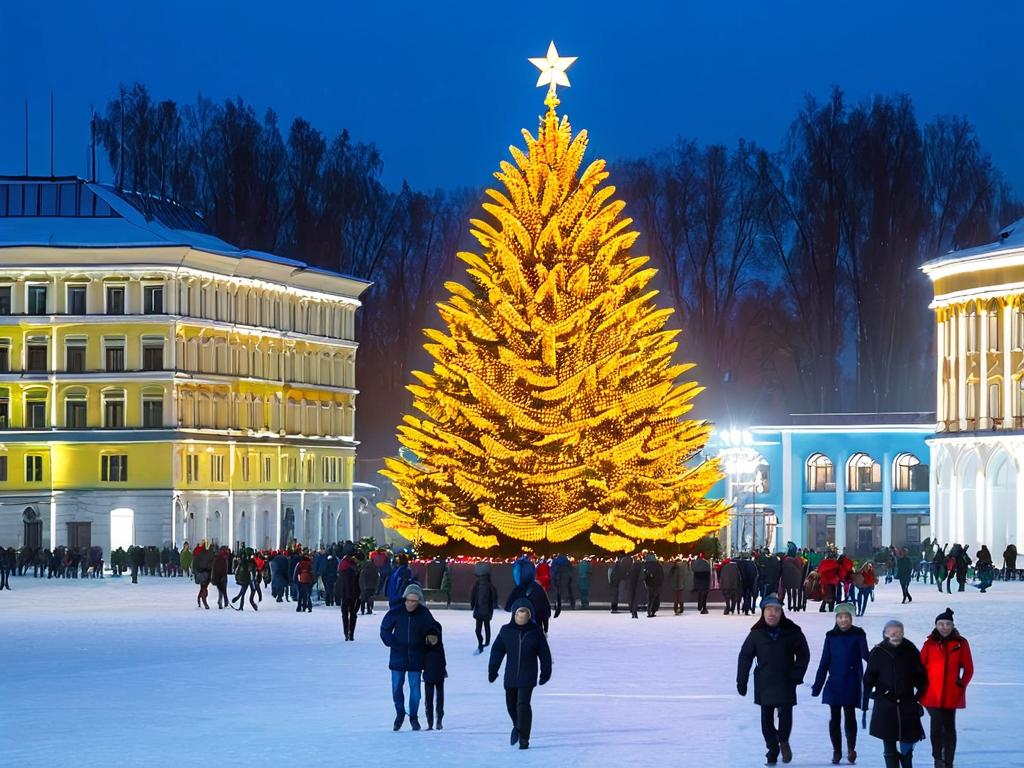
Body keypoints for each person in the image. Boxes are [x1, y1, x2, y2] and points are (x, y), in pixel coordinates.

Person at [736, 595, 810, 765]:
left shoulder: (792, 632)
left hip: (786, 679)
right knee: (766, 719)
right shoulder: (756, 634)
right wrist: (741, 681)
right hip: (765, 680)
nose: (772, 614)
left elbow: (803, 654)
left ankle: (783, 741)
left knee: (785, 714)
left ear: (781, 612)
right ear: (763, 612)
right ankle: (772, 748)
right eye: (769, 610)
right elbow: (745, 656)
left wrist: (797, 674)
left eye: (776, 610)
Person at [488, 599, 552, 751]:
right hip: (510, 676)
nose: (522, 618)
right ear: (514, 615)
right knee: (511, 705)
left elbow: (544, 654)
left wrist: (545, 671)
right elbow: (497, 650)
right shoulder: (506, 631)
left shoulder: (536, 632)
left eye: (525, 615)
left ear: (530, 616)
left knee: (523, 705)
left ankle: (524, 737)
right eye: (519, 615)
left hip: (528, 676)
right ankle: (517, 725)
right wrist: (493, 669)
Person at [862, 619, 927, 768]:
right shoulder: (878, 652)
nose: (895, 635)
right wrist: (874, 694)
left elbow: (921, 676)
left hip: (907, 704)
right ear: (885, 634)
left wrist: (918, 695)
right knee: (889, 747)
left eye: (898, 632)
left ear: (903, 633)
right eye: (891, 632)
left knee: (907, 747)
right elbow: (869, 678)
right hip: (885, 705)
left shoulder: (911, 650)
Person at [811, 603, 870, 764]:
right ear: (836, 619)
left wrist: (880, 665)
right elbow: (824, 662)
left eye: (846, 617)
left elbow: (866, 656)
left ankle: (851, 749)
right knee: (834, 718)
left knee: (850, 715)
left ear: (851, 618)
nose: (843, 620)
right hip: (834, 682)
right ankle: (836, 751)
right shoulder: (831, 636)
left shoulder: (858, 634)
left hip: (851, 681)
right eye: (840, 617)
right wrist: (817, 685)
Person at [920, 608, 973, 768]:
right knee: (937, 725)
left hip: (951, 693)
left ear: (952, 625)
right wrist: (920, 685)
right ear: (936, 625)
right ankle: (937, 757)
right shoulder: (929, 644)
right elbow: (919, 667)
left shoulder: (960, 643)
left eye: (947, 624)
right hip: (931, 693)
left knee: (949, 727)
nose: (944, 627)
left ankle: (948, 761)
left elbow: (969, 668)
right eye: (941, 624)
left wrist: (961, 685)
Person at [380, 584, 437, 731]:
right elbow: (385, 629)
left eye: (415, 601)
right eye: (409, 600)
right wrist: (392, 642)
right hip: (398, 657)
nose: (411, 604)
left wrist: (431, 637)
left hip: (416, 657)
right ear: (405, 599)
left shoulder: (424, 614)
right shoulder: (396, 612)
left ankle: (413, 716)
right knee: (396, 687)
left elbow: (432, 628)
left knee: (416, 691)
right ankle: (400, 714)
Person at [504, 559, 551, 633]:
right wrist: (545, 627)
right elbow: (546, 610)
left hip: (520, 628)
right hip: (536, 629)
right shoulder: (538, 588)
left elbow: (508, 607)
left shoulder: (518, 589)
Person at [470, 561, 499, 654]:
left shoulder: (477, 584)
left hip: (479, 610)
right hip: (487, 610)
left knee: (478, 629)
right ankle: (486, 643)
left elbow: (473, 595)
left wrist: (472, 605)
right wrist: (494, 605)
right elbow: (494, 596)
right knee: (487, 626)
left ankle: (481, 643)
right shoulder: (490, 585)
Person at [423, 625, 448, 730]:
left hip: (428, 676)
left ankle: (430, 722)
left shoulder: (425, 647)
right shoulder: (439, 646)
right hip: (439, 675)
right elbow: (443, 660)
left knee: (428, 700)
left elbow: (421, 661)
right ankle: (439, 720)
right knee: (440, 698)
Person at [336, 553, 361, 641]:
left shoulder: (342, 568)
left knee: (345, 614)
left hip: (344, 594)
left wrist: (338, 595)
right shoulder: (356, 570)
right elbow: (359, 584)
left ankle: (346, 632)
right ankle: (351, 633)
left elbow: (339, 583)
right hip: (354, 595)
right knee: (353, 614)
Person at [642, 551, 664, 617]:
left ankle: (649, 610)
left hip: (649, 583)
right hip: (657, 583)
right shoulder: (658, 565)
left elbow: (644, 575)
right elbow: (662, 575)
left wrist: (645, 581)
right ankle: (654, 610)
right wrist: (660, 582)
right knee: (656, 597)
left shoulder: (646, 565)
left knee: (650, 597)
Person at [192, 542, 212, 609]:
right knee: (204, 588)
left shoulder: (200, 555)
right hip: (204, 574)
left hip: (203, 574)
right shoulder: (208, 555)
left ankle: (199, 599)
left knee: (203, 588)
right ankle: (204, 602)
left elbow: (194, 565)